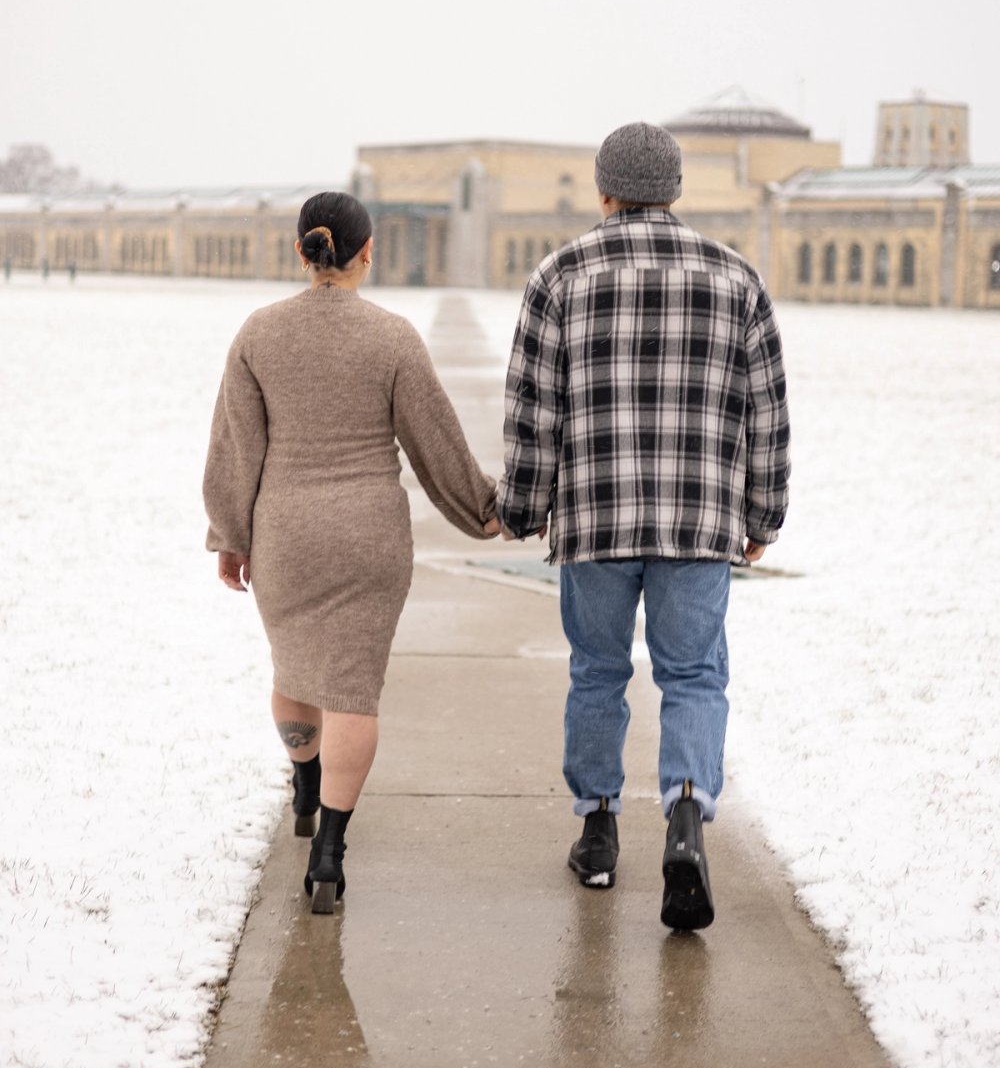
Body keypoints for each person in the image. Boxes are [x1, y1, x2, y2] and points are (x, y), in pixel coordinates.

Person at [496, 123, 790, 930]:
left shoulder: (560, 275)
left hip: (595, 520)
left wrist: (522, 507)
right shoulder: (737, 279)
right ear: (677, 190)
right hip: (698, 523)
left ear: (605, 190)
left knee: (597, 672)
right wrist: (762, 513)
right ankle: (687, 817)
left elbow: (532, 412)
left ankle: (597, 832)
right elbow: (767, 413)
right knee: (693, 676)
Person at [203, 191, 499, 913]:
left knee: (295, 666)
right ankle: (329, 856)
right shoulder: (392, 338)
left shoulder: (257, 334)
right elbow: (436, 442)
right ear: (368, 252)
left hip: (287, 533)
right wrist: (484, 511)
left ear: (300, 251)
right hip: (370, 535)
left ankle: (304, 781)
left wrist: (230, 535)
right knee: (354, 689)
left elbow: (235, 449)